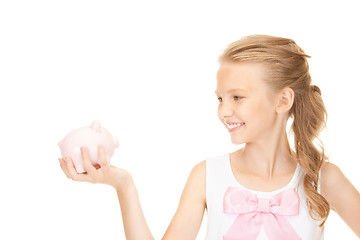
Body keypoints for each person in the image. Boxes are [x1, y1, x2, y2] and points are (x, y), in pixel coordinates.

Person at [58, 34, 360, 239]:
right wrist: (123, 186)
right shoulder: (207, 176)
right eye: (220, 99)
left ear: (283, 101)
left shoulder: (322, 178)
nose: (223, 111)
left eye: (238, 97)